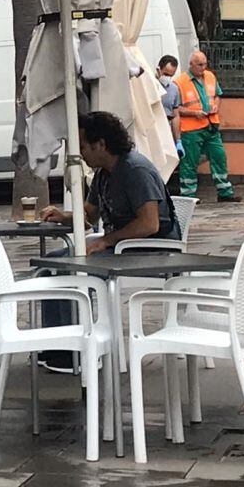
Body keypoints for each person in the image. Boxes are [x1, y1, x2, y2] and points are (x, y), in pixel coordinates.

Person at [39, 111, 180, 371]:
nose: (80, 154)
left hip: (152, 250)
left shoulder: (134, 170)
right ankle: (57, 343)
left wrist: (107, 240)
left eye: (82, 147)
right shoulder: (103, 174)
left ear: (101, 144)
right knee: (50, 264)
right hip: (123, 247)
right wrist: (63, 216)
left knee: (71, 267)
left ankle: (74, 352)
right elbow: (89, 216)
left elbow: (150, 223)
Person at [174, 50, 242, 203]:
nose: (203, 67)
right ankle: (188, 197)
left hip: (211, 125)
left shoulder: (210, 76)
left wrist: (216, 107)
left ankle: (225, 192)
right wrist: (194, 113)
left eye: (204, 64)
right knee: (189, 163)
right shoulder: (179, 82)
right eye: (199, 64)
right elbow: (175, 108)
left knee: (219, 156)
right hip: (191, 130)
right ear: (191, 64)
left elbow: (217, 95)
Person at [156, 55, 183, 150]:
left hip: (166, 131)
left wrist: (178, 141)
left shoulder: (173, 89)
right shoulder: (150, 85)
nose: (168, 78)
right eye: (166, 74)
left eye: (171, 76)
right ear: (158, 70)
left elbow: (175, 115)